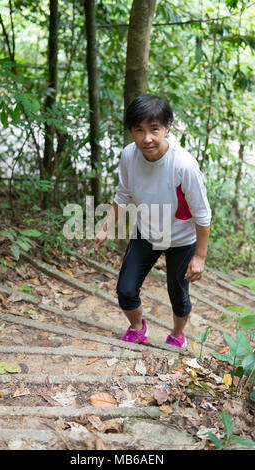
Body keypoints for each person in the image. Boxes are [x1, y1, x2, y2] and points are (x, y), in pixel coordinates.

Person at [93, 94, 211, 348]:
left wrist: (199, 256)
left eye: (154, 129)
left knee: (178, 293)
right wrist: (105, 228)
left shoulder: (184, 166)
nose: (147, 138)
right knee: (125, 289)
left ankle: (178, 334)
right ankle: (137, 327)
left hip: (181, 240)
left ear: (167, 128)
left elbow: (202, 214)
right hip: (146, 232)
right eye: (139, 130)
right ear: (131, 131)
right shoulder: (128, 156)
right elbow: (123, 194)